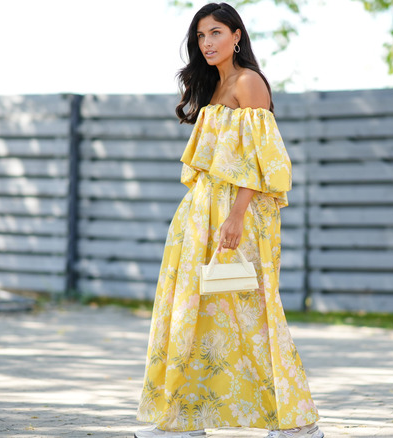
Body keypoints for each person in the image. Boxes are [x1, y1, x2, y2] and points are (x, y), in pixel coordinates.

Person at [134, 3, 323, 438]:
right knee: (193, 311)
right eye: (201, 37)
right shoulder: (215, 90)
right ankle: (183, 417)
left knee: (253, 312)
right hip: (200, 215)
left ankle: (298, 423)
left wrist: (236, 216)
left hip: (237, 215)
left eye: (216, 33)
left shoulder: (248, 83)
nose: (207, 43)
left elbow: (264, 162)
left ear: (237, 36)